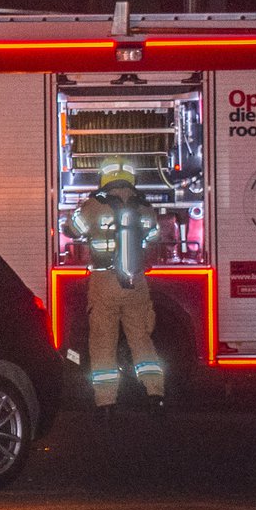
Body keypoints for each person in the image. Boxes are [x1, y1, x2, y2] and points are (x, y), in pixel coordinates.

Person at [64, 158, 165, 425]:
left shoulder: (94, 206)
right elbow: (154, 237)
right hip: (136, 283)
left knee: (103, 345)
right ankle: (155, 396)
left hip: (104, 282)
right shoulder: (145, 208)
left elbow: (71, 229)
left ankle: (107, 404)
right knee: (141, 341)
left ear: (104, 180)